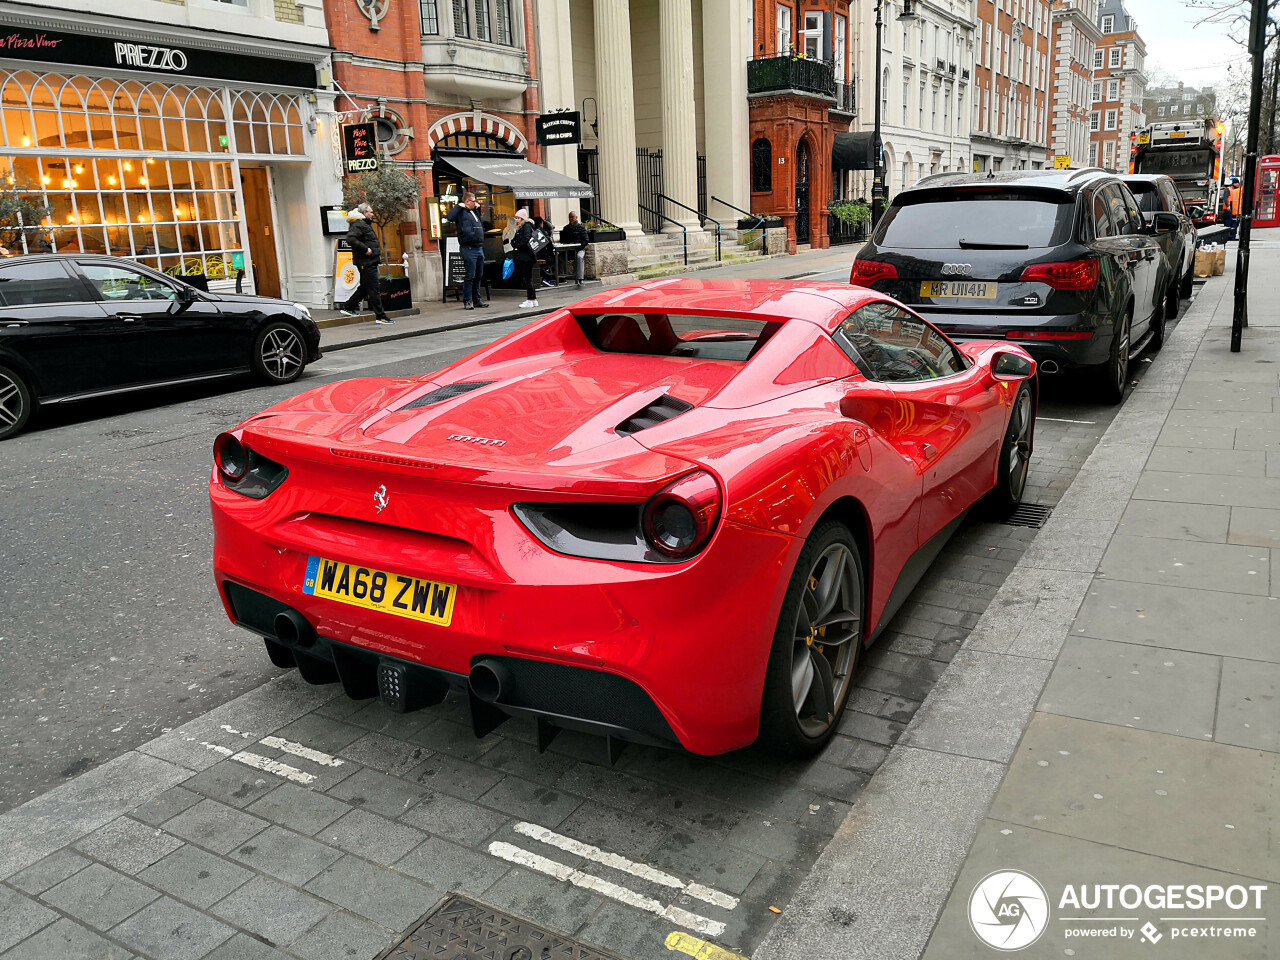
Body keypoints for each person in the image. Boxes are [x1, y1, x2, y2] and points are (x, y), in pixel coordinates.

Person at [340, 203, 391, 325]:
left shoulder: (363, 223)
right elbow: (350, 239)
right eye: (371, 212)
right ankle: (381, 316)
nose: (372, 214)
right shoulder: (358, 224)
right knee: (374, 289)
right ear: (364, 213)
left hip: (369, 261)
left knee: (365, 287)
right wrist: (366, 249)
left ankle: (348, 306)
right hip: (366, 262)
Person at [444, 191, 488, 309]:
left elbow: (479, 223)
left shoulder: (474, 212)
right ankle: (467, 300)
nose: (476, 203)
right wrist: (458, 206)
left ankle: (477, 300)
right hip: (468, 248)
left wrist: (478, 209)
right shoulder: (461, 213)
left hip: (479, 247)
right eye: (473, 201)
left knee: (478, 275)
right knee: (470, 276)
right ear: (467, 201)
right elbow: (449, 217)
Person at [510, 207, 540, 308]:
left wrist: (517, 246)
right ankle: (534, 299)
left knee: (527, 278)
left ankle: (530, 300)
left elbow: (526, 238)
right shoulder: (527, 226)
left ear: (522, 218)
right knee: (528, 278)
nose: (516, 220)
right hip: (528, 256)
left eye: (518, 218)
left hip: (526, 257)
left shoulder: (526, 226)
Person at [560, 210, 588, 287]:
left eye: (572, 217)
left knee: (579, 257)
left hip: (579, 249)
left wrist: (579, 246)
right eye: (569, 217)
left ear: (576, 217)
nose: (571, 219)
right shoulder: (566, 228)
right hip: (568, 250)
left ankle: (580, 279)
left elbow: (586, 240)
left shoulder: (581, 228)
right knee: (560, 258)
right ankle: (562, 277)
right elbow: (563, 240)